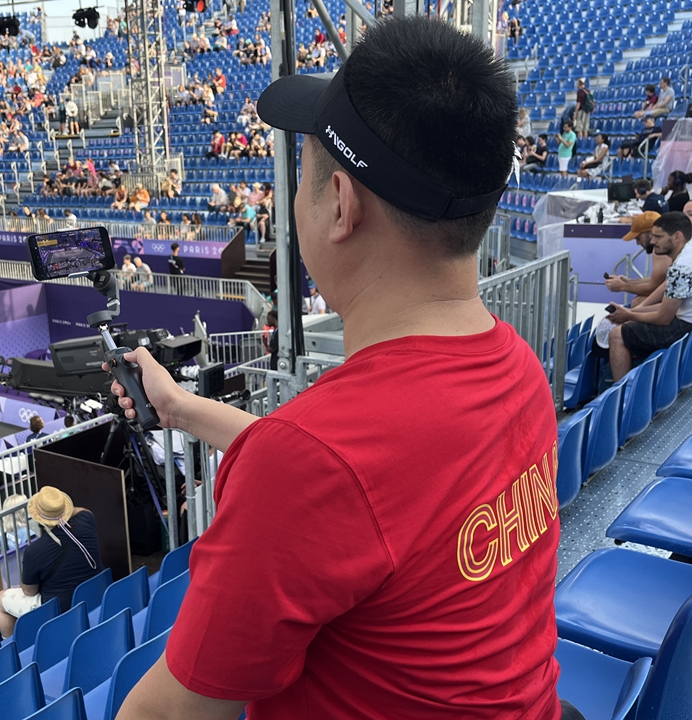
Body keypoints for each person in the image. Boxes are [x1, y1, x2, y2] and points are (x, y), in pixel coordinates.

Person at [115, 18, 566, 720]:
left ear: (341, 206)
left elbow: (169, 714)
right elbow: (363, 492)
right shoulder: (518, 371)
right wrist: (178, 409)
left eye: (303, 176)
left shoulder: (313, 464)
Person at [606, 212, 692, 381]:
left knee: (617, 334)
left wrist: (629, 315)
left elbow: (663, 318)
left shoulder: (683, 267)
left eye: (658, 237)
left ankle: (619, 397)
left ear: (677, 237)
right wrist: (636, 313)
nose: (652, 242)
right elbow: (667, 306)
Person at [0, 487, 101, 638]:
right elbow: (80, 510)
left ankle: (10, 646)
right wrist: (61, 511)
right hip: (94, 591)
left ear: (38, 518)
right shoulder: (87, 519)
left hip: (60, 607)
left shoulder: (34, 551)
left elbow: (29, 591)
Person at [605, 212, 671, 305]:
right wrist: (629, 281)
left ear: (651, 233)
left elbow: (654, 288)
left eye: (638, 238)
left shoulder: (661, 251)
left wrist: (622, 286)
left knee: (638, 303)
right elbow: (657, 281)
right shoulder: (662, 250)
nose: (637, 243)